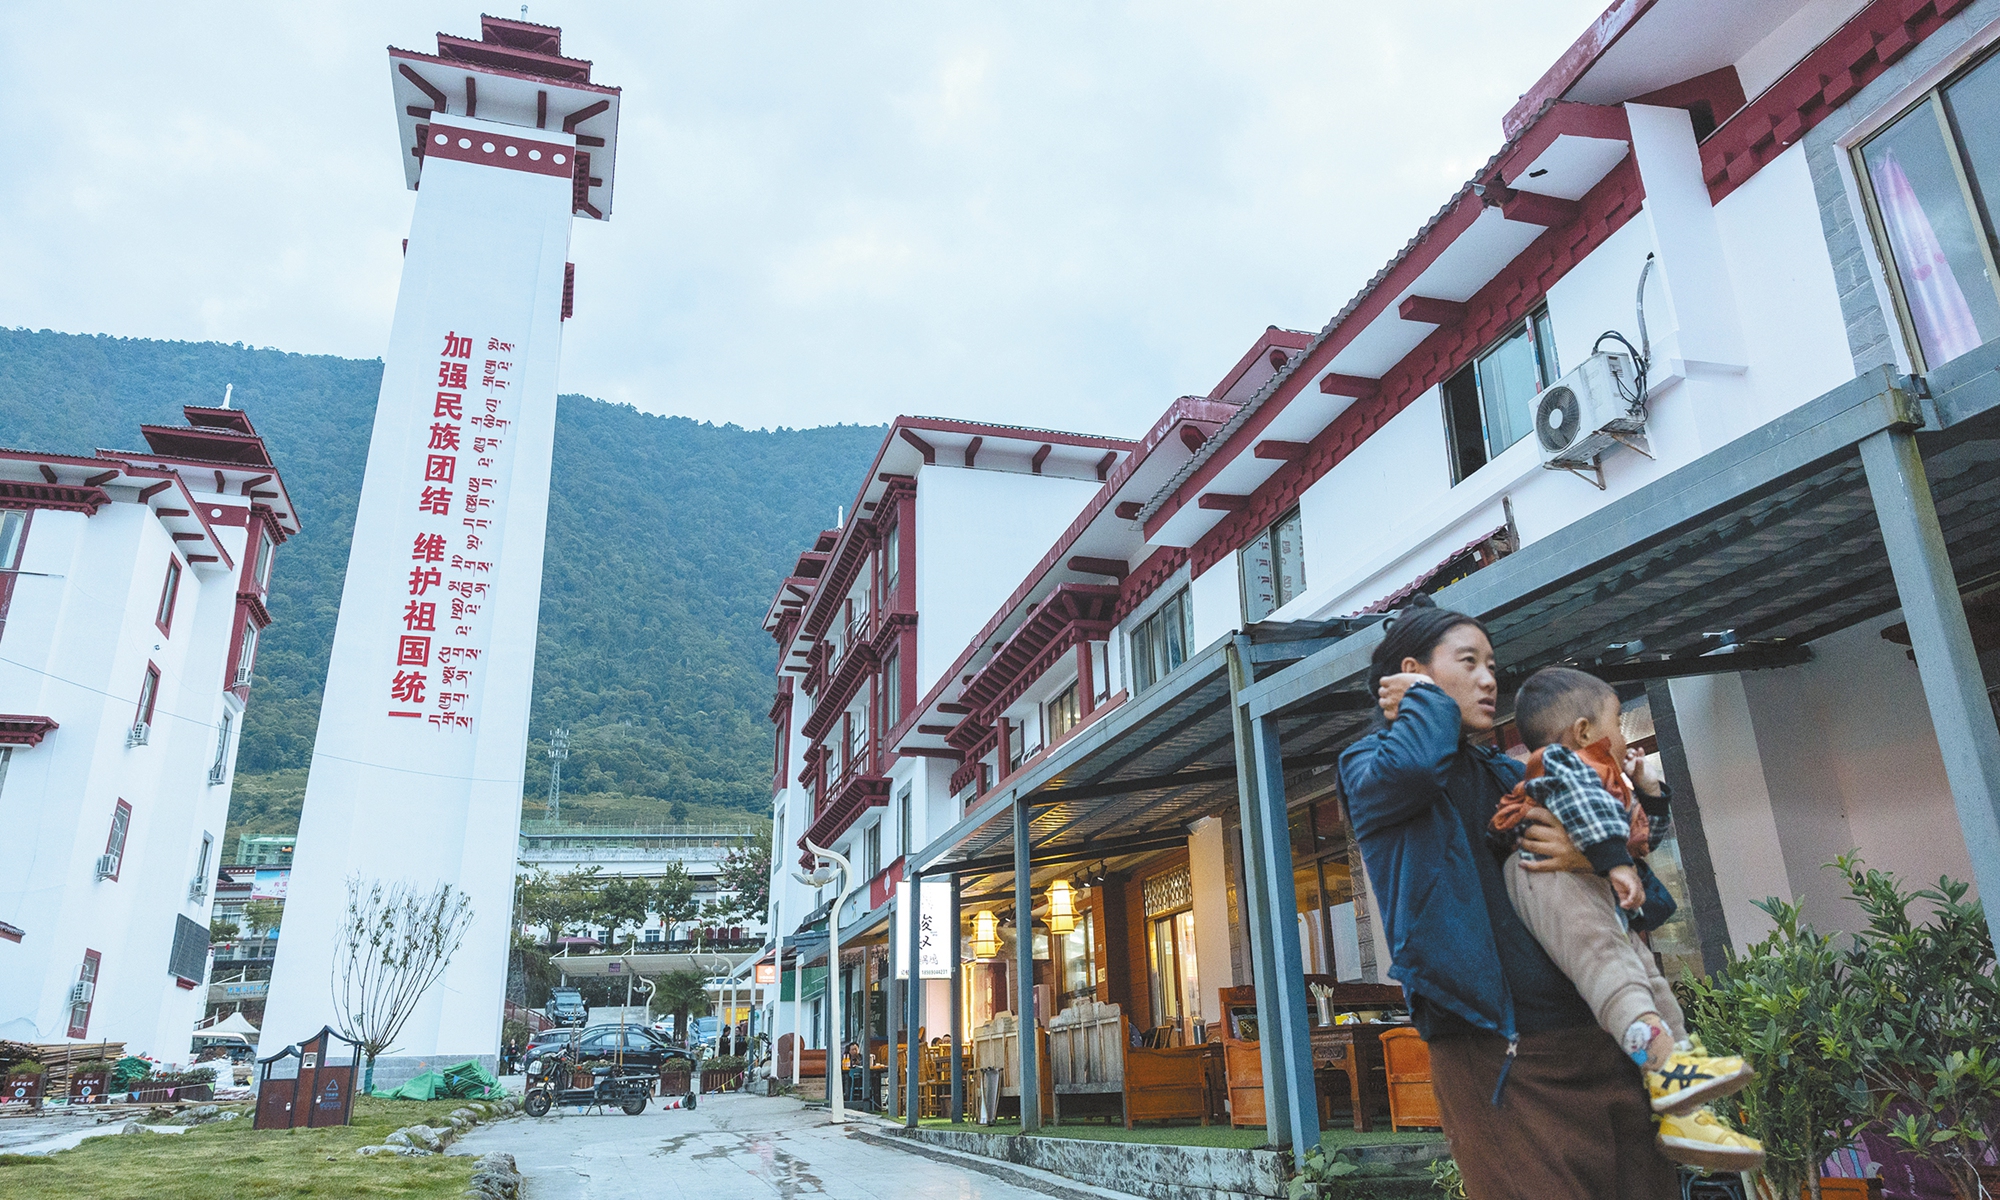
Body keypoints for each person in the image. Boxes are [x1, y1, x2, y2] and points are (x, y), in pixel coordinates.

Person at [1337, 595, 1676, 1200]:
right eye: (1467, 662)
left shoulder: (1508, 778)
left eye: (1492, 664)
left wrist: (1588, 858)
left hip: (1598, 1038)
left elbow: (1638, 901)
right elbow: (1414, 769)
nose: (1490, 679)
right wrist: (1424, 705)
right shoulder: (1369, 767)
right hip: (1498, 1053)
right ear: (1412, 673)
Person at [1489, 667, 1762, 1171]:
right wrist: (1614, 862)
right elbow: (1589, 815)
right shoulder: (1560, 764)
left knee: (1651, 984)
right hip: (1545, 874)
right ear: (1584, 731)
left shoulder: (1606, 779)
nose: (1623, 733)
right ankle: (1667, 1070)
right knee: (1610, 969)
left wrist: (1650, 793)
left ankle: (1685, 1110)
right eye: (1617, 719)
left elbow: (1638, 841)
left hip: (1588, 882)